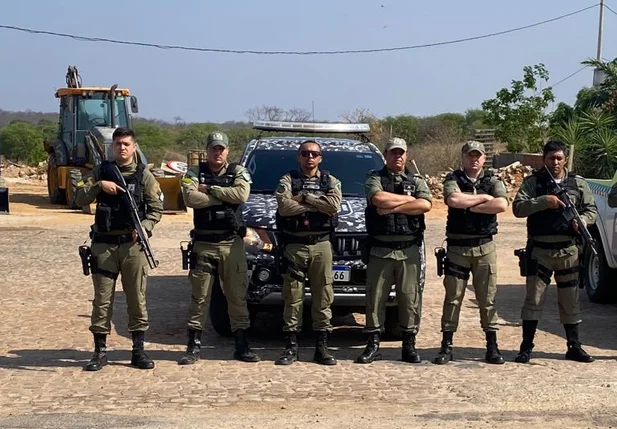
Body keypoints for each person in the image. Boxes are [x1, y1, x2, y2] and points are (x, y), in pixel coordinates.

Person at [75, 127, 164, 371]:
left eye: (126, 144)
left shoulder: (143, 175)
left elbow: (156, 209)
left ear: (134, 147)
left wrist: (145, 227)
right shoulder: (100, 171)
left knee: (136, 298)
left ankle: (138, 351)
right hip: (104, 245)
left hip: (133, 246)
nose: (122, 148)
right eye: (118, 144)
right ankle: (100, 352)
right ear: (111, 147)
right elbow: (79, 198)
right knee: (102, 300)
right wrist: (99, 186)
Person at [178, 131, 260, 365]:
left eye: (221, 148)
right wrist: (224, 197)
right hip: (204, 244)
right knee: (199, 297)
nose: (218, 152)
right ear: (207, 150)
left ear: (227, 151)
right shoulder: (194, 172)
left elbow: (241, 194)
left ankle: (241, 344)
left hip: (231, 244)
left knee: (237, 297)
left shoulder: (238, 172)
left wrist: (210, 190)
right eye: (214, 148)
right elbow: (190, 199)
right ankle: (193, 346)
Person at [512, 140, 598, 363]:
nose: (555, 162)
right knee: (534, 300)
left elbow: (591, 210)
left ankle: (574, 346)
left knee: (570, 300)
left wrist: (585, 222)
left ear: (565, 158)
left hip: (568, 250)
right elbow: (518, 208)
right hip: (540, 250)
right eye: (551, 158)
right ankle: (526, 347)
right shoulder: (533, 183)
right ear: (544, 159)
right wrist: (544, 202)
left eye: (559, 158)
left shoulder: (578, 183)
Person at [355, 137, 432, 364]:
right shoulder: (374, 178)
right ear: (386, 155)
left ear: (406, 155)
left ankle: (408, 345)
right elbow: (377, 199)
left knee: (409, 298)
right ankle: (373, 345)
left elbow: (426, 204)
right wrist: (408, 201)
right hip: (381, 250)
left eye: (401, 153)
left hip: (408, 250)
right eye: (393, 153)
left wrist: (394, 206)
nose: (397, 157)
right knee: (375, 298)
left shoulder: (416, 180)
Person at [433, 141, 508, 365]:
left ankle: (492, 346)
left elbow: (502, 204)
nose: (474, 160)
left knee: (487, 299)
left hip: (485, 247)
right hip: (458, 248)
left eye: (478, 156)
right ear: (463, 157)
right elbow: (453, 200)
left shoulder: (493, 179)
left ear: (484, 158)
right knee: (453, 298)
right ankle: (446, 345)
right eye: (470, 156)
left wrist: (471, 205)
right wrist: (484, 199)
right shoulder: (453, 179)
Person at [274, 140, 342, 366]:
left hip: (322, 245)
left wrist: (303, 197)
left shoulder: (331, 180)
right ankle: (291, 347)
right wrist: (317, 204)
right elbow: (284, 207)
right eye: (305, 153)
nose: (309, 157)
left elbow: (333, 206)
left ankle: (321, 348)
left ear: (320, 158)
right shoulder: (287, 180)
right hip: (295, 245)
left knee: (323, 296)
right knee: (293, 297)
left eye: (314, 153)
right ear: (299, 157)